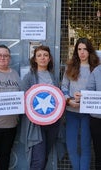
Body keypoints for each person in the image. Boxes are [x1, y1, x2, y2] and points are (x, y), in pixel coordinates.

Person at [61, 37, 100, 170]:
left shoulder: (96, 68)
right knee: (71, 146)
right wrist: (68, 100)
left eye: (85, 49)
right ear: (76, 51)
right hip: (72, 112)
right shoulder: (70, 66)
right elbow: (64, 87)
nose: (82, 52)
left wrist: (86, 99)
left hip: (88, 113)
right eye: (79, 49)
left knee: (85, 146)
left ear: (90, 51)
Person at [20, 45, 60, 170]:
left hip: (52, 123)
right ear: (35, 59)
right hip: (35, 125)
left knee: (45, 157)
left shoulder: (53, 77)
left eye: (45, 55)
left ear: (49, 59)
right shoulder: (29, 77)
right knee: (38, 159)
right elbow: (24, 100)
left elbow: (57, 99)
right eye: (39, 55)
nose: (43, 58)